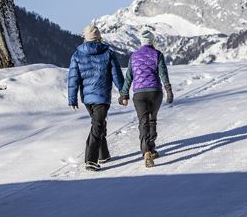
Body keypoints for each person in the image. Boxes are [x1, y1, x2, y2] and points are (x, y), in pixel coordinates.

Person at [68, 24, 124, 171]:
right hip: (102, 96)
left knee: (97, 124)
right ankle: (91, 160)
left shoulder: (77, 54)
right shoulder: (108, 53)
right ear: (98, 37)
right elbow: (116, 75)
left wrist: (72, 98)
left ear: (85, 38)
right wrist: (123, 92)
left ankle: (103, 155)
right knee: (97, 126)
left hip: (87, 98)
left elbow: (73, 78)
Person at [119, 29, 174, 168]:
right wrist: (169, 91)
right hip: (155, 92)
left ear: (141, 42)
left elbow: (129, 77)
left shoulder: (134, 56)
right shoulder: (157, 54)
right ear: (152, 41)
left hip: (139, 94)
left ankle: (146, 152)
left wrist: (124, 94)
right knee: (152, 120)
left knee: (143, 122)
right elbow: (163, 74)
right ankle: (152, 148)